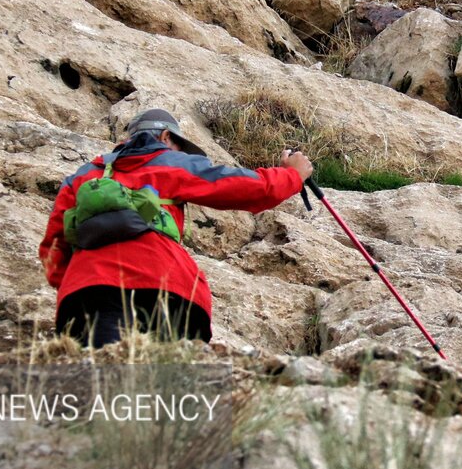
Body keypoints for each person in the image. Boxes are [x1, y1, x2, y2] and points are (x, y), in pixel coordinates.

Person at [39, 107, 312, 347]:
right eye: (179, 144)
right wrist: (292, 175)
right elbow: (246, 188)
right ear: (165, 138)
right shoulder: (170, 163)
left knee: (101, 389)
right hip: (166, 289)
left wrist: (78, 282)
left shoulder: (83, 176)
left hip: (89, 295)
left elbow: (53, 253)